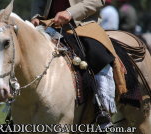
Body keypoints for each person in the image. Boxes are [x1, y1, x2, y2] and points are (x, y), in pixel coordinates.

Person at [31, 0, 127, 129]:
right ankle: (17, 109)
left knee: (98, 55)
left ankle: (101, 108)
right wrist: (36, 16)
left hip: (82, 25)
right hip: (50, 24)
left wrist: (70, 13)